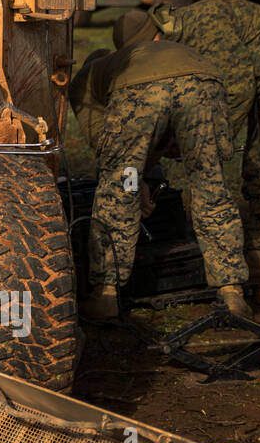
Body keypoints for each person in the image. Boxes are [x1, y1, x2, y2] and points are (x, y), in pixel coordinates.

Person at [114, 0, 260, 306]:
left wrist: (212, 142)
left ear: (155, 36)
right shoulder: (175, 41)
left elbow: (238, 90)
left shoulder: (206, 28)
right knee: (254, 170)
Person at [69, 41, 250, 319]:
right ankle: (232, 292)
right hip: (204, 81)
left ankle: (105, 295)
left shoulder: (85, 81)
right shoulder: (144, 53)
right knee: (210, 185)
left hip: (143, 90)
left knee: (118, 190)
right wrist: (143, 175)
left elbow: (108, 153)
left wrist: (134, 180)